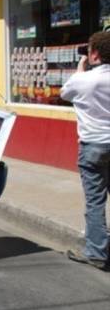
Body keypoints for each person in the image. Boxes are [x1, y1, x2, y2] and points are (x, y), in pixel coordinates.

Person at [61, 31, 110, 270]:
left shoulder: (83, 80)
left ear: (95, 54)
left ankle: (96, 252)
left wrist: (81, 69)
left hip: (93, 145)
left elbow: (65, 93)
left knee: (95, 202)